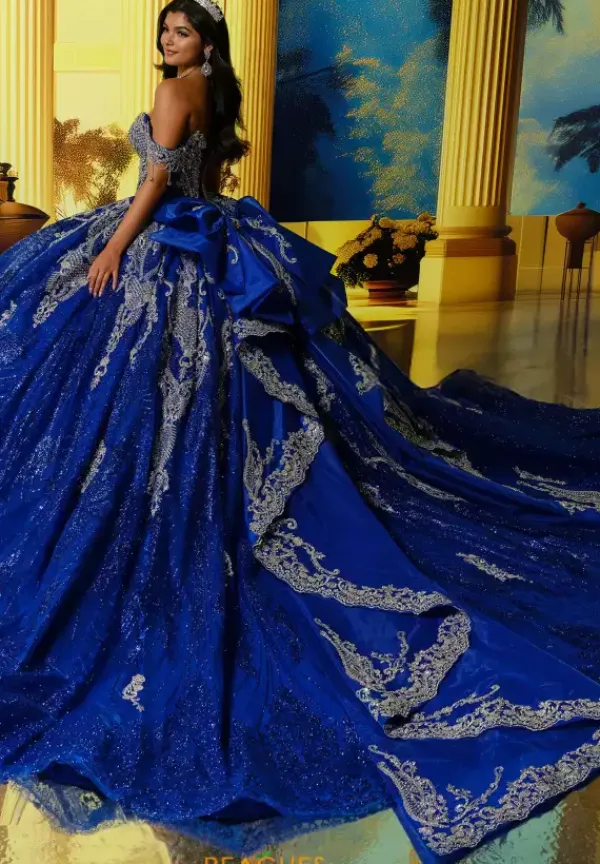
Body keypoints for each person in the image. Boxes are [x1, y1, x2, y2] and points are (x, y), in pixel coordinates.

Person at [1, 1, 600, 862]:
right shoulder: (212, 90)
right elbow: (198, 175)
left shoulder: (174, 92)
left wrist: (112, 248)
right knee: (201, 393)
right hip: (212, 238)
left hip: (165, 242)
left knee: (125, 382)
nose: (168, 42)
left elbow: (156, 187)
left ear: (205, 42)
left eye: (180, 32)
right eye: (165, 30)